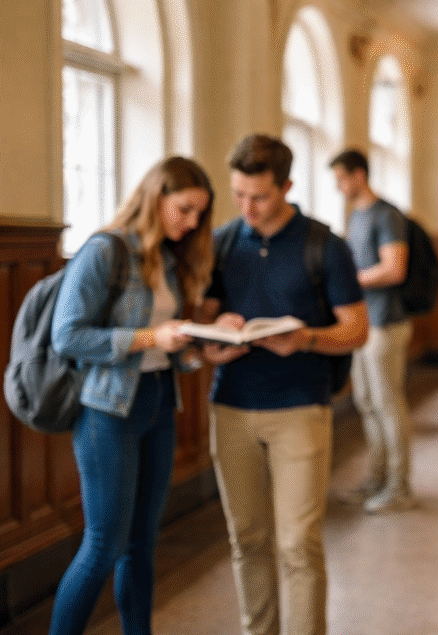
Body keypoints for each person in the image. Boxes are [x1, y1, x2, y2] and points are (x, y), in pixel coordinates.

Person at [200, 134, 368, 635]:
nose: (248, 207)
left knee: (298, 543)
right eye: (239, 195)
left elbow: (356, 329)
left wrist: (307, 338)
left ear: (288, 187)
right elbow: (203, 328)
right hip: (231, 405)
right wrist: (216, 338)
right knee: (246, 539)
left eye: (260, 196)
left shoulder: (324, 245)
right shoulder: (224, 242)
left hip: (300, 408)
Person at [49, 156, 215, 635]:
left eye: (199, 214)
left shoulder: (168, 256)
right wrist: (147, 338)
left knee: (142, 543)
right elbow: (68, 335)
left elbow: (169, 343)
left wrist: (205, 337)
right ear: (155, 196)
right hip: (106, 411)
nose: (191, 222)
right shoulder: (105, 250)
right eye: (183, 209)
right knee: (103, 545)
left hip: (159, 401)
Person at [331, 148, 416, 514]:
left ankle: (399, 486)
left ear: (358, 175)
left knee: (387, 404)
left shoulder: (387, 214)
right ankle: (377, 477)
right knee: (365, 402)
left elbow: (394, 269)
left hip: (386, 323)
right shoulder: (356, 216)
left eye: (340, 179)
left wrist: (349, 280)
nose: (338, 187)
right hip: (363, 322)